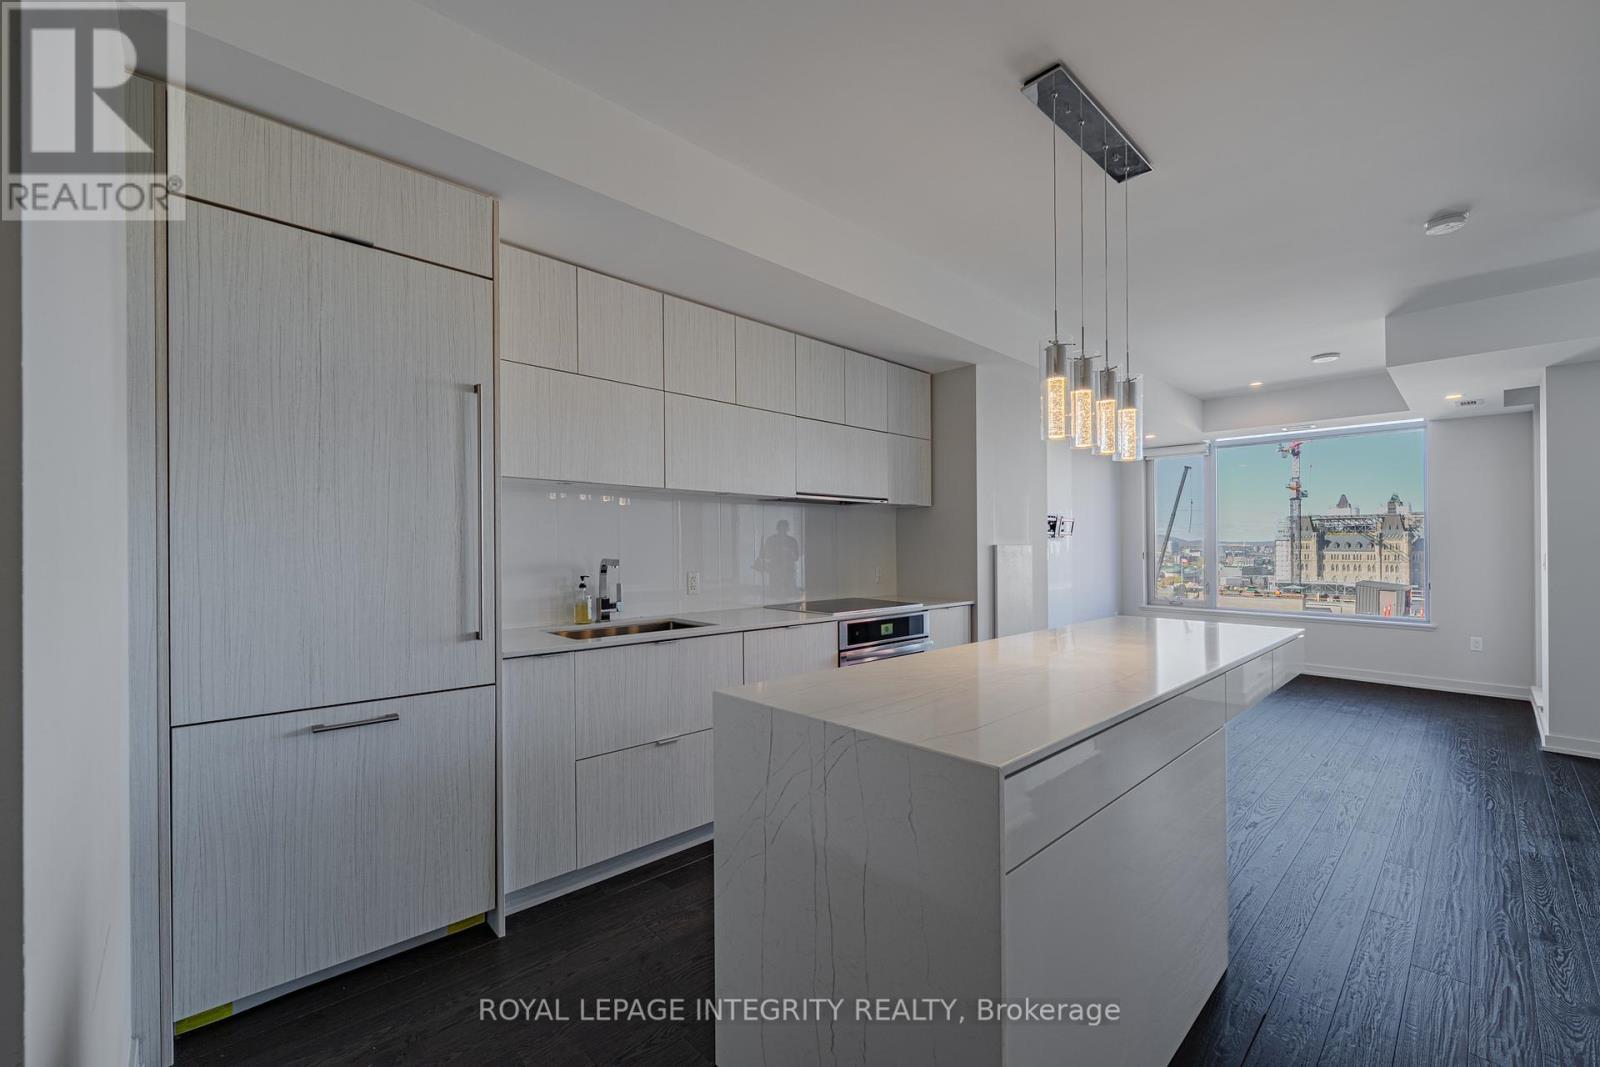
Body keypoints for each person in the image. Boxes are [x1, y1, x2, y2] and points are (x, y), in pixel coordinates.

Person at [755, 519, 802, 595]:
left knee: (789, 593)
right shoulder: (771, 540)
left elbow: (796, 557)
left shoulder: (792, 541)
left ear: (787, 529)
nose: (782, 530)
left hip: (788, 571)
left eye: (784, 528)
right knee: (775, 593)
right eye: (781, 528)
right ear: (777, 528)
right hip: (775, 571)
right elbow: (763, 555)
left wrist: (789, 553)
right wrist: (762, 544)